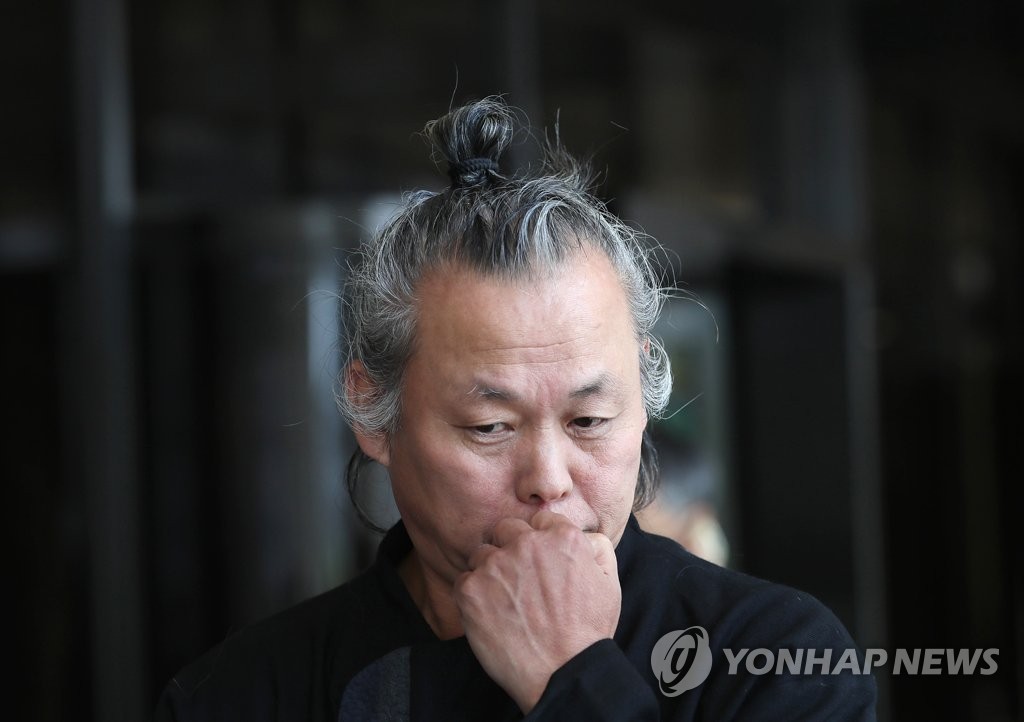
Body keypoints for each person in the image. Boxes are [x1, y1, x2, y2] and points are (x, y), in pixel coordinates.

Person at [155, 97, 876, 721]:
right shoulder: (247, 695)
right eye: (490, 428)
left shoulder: (773, 657)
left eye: (588, 422)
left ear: (644, 397)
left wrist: (573, 679)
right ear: (373, 411)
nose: (549, 480)